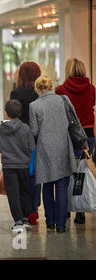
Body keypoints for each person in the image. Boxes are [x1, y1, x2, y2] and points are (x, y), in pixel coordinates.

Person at [29, 75, 75, 233]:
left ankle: (50, 222)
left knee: (47, 185)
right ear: (50, 86)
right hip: (63, 146)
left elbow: (34, 131)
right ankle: (61, 225)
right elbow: (72, 122)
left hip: (45, 149)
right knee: (62, 185)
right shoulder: (63, 100)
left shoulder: (34, 106)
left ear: (37, 89)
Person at [56, 58, 95, 224]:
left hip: (68, 134)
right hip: (87, 134)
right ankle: (80, 211)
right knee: (81, 172)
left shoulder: (61, 89)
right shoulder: (92, 89)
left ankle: (65, 211)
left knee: (66, 172)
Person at [10, 61, 42, 225]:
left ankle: (24, 211)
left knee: (21, 175)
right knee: (35, 175)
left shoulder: (15, 93)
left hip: (19, 140)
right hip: (36, 139)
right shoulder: (39, 94)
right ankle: (34, 210)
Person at [0, 100, 35, 233]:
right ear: (20, 113)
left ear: (6, 114)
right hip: (24, 166)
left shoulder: (1, 129)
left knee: (13, 194)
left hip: (8, 166)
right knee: (24, 191)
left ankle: (17, 221)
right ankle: (25, 218)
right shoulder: (25, 128)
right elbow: (31, 147)